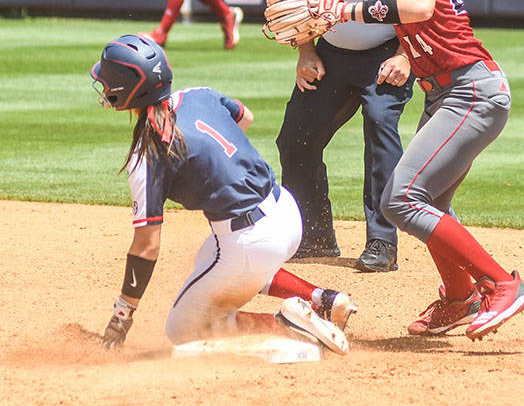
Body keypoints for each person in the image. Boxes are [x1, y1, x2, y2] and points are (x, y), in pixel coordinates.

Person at [312, 0, 524, 339]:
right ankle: (459, 298)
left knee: (401, 199)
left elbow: (417, 4)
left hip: (468, 92)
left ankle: (502, 285)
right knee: (428, 197)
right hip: (454, 91)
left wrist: (346, 11)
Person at [90, 34, 356, 352]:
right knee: (208, 258)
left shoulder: (148, 153)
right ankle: (322, 300)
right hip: (285, 211)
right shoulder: (198, 95)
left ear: (123, 92)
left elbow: (147, 247)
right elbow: (244, 117)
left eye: (107, 80)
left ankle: (287, 326)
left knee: (183, 329)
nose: (103, 85)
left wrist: (121, 317)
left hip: (251, 242)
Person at [276, 0, 414, 273]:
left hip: (386, 49)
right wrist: (305, 52)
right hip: (330, 50)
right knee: (295, 137)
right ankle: (314, 237)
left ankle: (382, 243)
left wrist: (407, 56)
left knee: (381, 131)